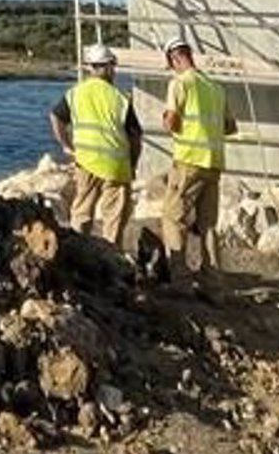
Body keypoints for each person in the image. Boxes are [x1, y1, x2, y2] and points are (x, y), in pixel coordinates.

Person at [49, 42, 143, 248]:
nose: (114, 71)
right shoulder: (120, 98)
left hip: (86, 161)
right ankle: (112, 256)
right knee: (114, 219)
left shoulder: (75, 93)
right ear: (108, 67)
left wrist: (66, 145)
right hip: (116, 166)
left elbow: (56, 117)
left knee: (82, 212)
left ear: (90, 67)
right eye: (112, 67)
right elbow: (135, 136)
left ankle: (77, 252)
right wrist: (133, 164)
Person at [159, 37, 236, 288]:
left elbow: (171, 122)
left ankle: (180, 280)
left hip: (189, 161)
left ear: (174, 59)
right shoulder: (215, 87)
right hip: (213, 163)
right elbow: (230, 127)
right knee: (208, 225)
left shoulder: (180, 83)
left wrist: (168, 121)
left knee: (173, 218)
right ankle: (213, 283)